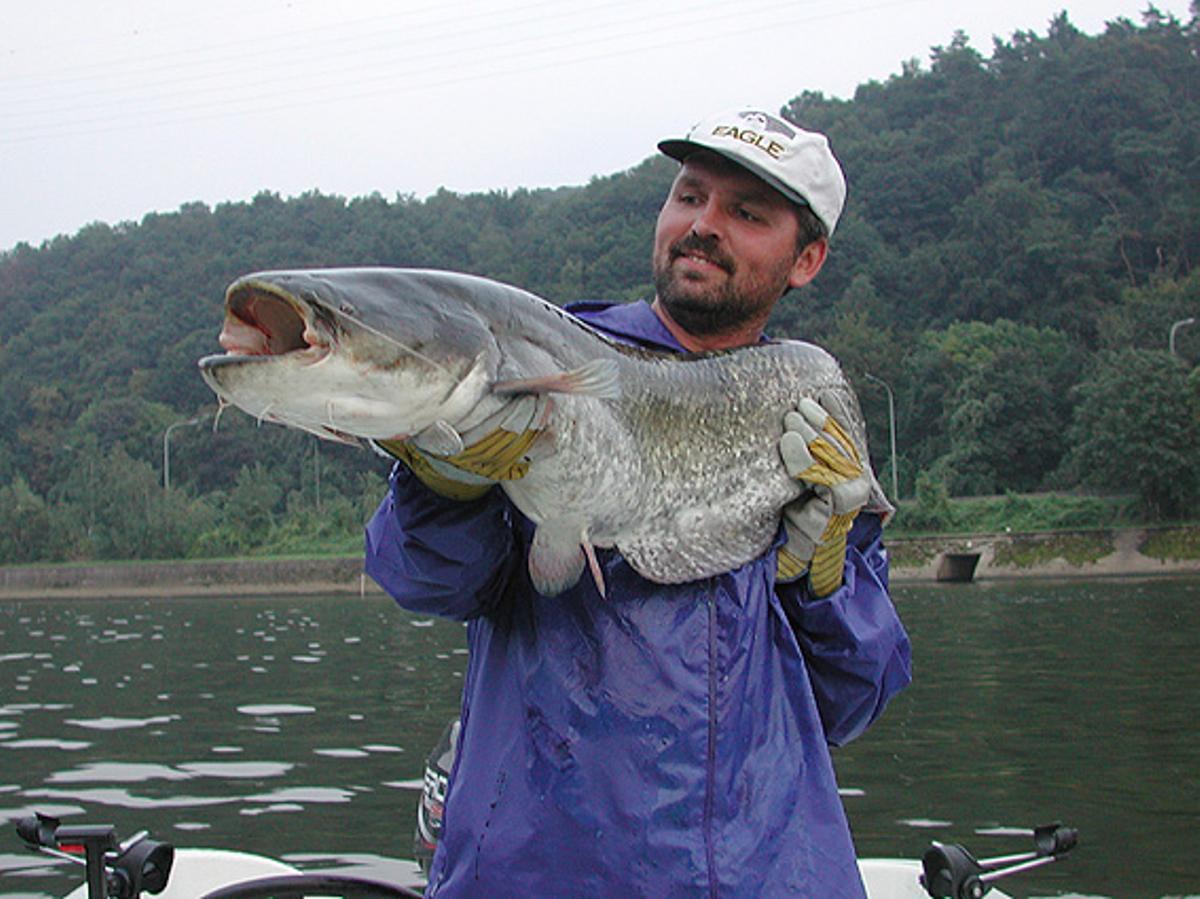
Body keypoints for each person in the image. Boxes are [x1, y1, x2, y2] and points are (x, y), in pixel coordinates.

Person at [365, 108, 912, 898]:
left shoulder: (813, 420)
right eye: (689, 196)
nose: (703, 225)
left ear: (807, 258)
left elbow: (853, 698)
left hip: (767, 873)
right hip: (540, 868)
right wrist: (443, 485)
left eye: (746, 213)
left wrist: (823, 576)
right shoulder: (542, 365)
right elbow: (425, 582)